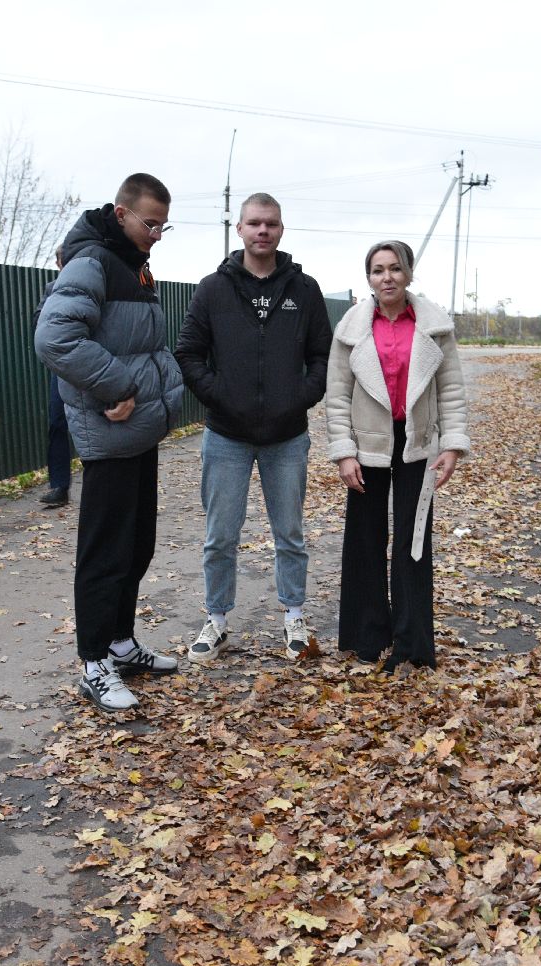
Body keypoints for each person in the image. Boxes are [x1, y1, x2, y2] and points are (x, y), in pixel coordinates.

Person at [35, 174, 186, 712]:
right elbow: (55, 338)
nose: (158, 234)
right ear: (121, 213)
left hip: (139, 433)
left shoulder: (132, 264)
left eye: (164, 226)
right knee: (104, 553)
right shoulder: (92, 262)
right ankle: (94, 661)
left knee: (135, 544)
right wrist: (117, 385)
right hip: (109, 435)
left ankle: (121, 643)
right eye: (150, 223)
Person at [176, 193, 331, 662]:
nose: (262, 231)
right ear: (240, 229)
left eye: (271, 224)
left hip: (287, 437)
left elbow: (323, 356)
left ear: (281, 230)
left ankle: (294, 618)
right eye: (254, 223)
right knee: (220, 534)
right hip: (226, 436)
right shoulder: (212, 288)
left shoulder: (304, 290)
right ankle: (217, 620)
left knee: (290, 533)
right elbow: (187, 352)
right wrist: (219, 395)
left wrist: (300, 396)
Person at [325, 241, 470, 672]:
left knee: (413, 543)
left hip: (417, 444)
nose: (385, 277)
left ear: (408, 273)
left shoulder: (433, 326)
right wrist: (344, 453)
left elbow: (451, 389)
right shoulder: (351, 329)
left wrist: (452, 445)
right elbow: (337, 396)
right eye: (376, 270)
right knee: (365, 541)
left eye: (394, 269)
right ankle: (366, 638)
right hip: (367, 445)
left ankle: (413, 646)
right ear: (367, 277)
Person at [38, 245, 73, 508]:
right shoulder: (52, 289)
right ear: (59, 264)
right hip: (61, 369)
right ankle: (59, 486)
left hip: (91, 365)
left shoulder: (96, 283)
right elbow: (39, 320)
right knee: (58, 424)